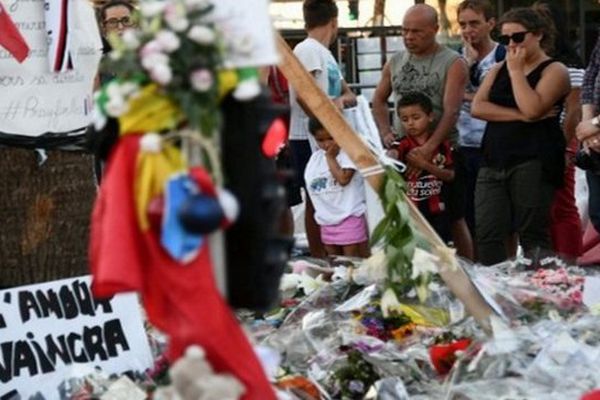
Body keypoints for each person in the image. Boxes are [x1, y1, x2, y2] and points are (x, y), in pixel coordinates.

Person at [371, 4, 473, 260]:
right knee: (408, 215)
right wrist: (385, 133)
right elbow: (379, 101)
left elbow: (451, 111)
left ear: (435, 30)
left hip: (442, 150)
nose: (409, 37)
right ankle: (418, 268)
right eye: (405, 31)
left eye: (416, 32)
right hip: (404, 152)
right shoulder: (395, 61)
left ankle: (469, 270)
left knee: (454, 216)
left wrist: (428, 149)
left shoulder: (453, 62)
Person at [471, 7, 570, 265]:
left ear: (538, 35)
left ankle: (540, 296)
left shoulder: (554, 70)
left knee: (533, 234)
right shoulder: (497, 69)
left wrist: (516, 73)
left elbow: (533, 107)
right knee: (487, 231)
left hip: (533, 158)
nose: (512, 45)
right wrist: (520, 116)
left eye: (518, 37)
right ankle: (495, 294)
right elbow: (478, 107)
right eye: (505, 39)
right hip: (494, 158)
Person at [289, 0, 357, 258]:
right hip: (308, 136)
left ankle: (335, 254)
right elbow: (304, 96)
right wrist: (324, 123)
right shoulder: (307, 49)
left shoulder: (325, 53)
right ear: (334, 21)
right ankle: (320, 259)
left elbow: (347, 92)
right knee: (316, 197)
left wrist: (339, 102)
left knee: (336, 195)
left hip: (332, 135)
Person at [533, 1, 584, 263]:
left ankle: (568, 261)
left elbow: (573, 113)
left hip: (561, 142)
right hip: (537, 141)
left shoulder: (570, 65)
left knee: (562, 206)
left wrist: (564, 148)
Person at [456, 0, 504, 251]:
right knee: (467, 212)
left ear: (491, 24)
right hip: (463, 143)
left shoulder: (503, 55)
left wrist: (466, 96)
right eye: (463, 24)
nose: (468, 30)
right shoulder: (459, 57)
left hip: (493, 143)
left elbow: (497, 99)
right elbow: (450, 96)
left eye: (474, 23)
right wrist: (469, 64)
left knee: (498, 216)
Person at [388, 92, 454, 242]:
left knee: (441, 252)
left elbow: (450, 175)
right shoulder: (400, 145)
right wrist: (388, 156)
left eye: (416, 117)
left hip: (438, 211)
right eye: (405, 119)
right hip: (411, 212)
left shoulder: (442, 145)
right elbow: (390, 157)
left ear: (430, 116)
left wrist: (425, 165)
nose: (410, 123)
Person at [304, 118, 368, 257]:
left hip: (349, 218)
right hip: (327, 221)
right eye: (320, 140)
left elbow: (343, 179)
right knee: (334, 263)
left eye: (331, 138)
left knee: (352, 263)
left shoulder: (348, 153)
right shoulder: (315, 159)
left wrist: (331, 158)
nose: (327, 144)